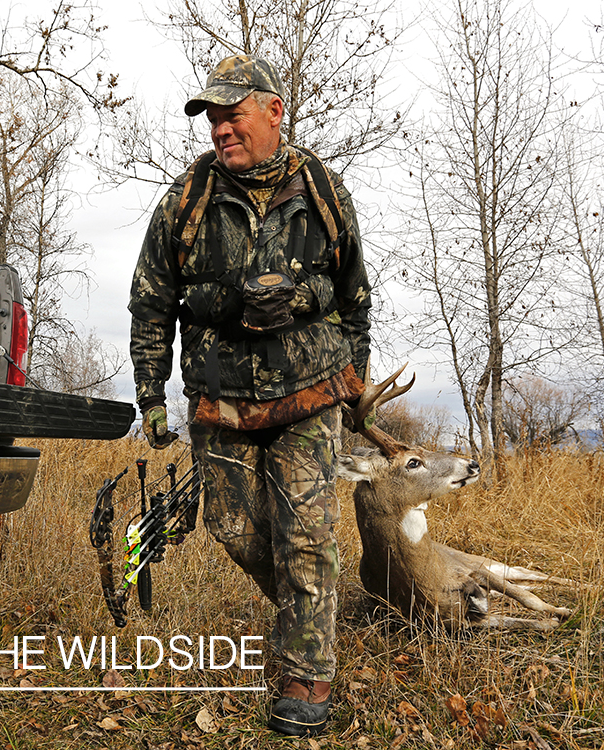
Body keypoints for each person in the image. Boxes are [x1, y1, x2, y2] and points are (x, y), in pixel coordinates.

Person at [127, 54, 372, 737]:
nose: (219, 130)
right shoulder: (185, 198)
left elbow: (354, 294)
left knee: (306, 538)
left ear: (273, 111)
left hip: (308, 393)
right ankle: (307, 615)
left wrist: (357, 385)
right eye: (211, 119)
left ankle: (306, 675)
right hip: (221, 399)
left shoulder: (323, 189)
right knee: (231, 528)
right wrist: (151, 394)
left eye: (231, 115)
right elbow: (150, 303)